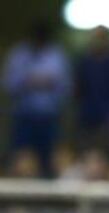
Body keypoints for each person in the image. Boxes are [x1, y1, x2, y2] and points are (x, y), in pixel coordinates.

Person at [2, 20, 71, 176]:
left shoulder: (56, 55)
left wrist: (46, 83)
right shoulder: (19, 54)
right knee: (20, 156)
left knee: (48, 159)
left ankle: (47, 196)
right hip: (23, 114)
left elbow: (65, 87)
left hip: (49, 115)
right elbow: (8, 83)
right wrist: (28, 81)